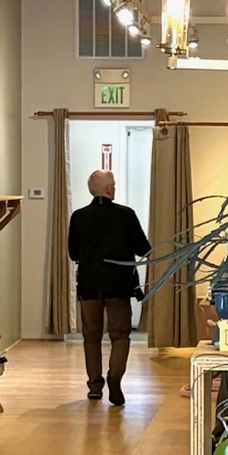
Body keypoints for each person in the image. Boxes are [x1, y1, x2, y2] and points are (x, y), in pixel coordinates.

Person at [65, 169, 152, 405]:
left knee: (91, 337)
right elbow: (144, 249)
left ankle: (95, 386)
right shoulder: (126, 215)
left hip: (89, 285)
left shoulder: (78, 217)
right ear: (110, 189)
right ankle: (115, 376)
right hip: (119, 285)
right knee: (120, 335)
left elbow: (73, 253)